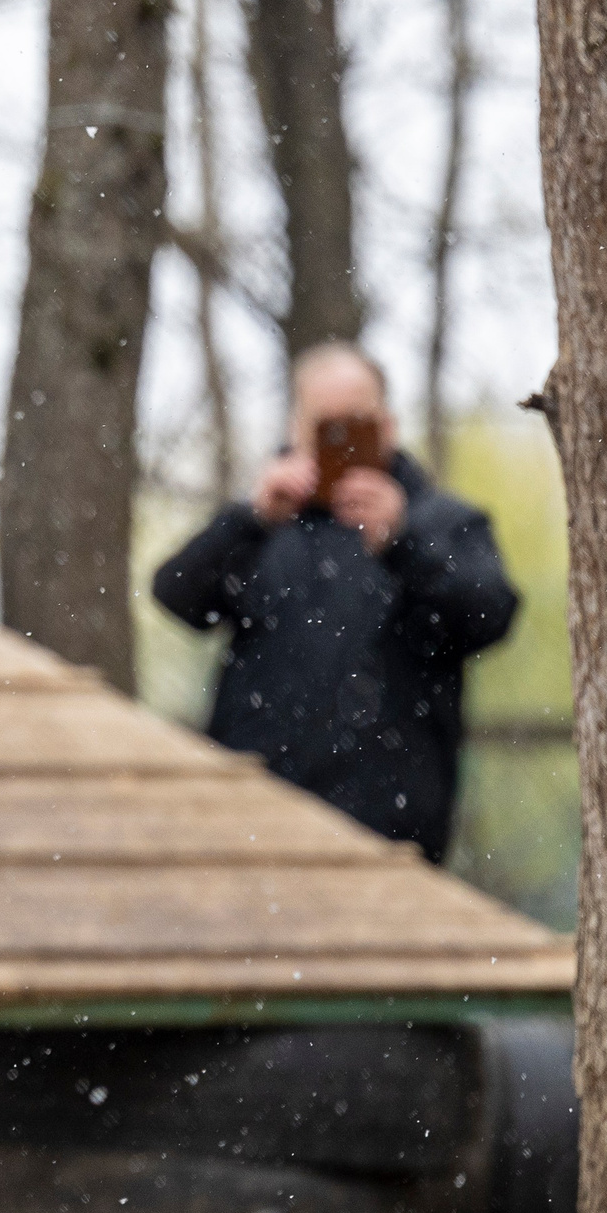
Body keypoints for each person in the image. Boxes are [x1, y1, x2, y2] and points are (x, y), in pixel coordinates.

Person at [151, 343, 517, 863]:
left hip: (392, 835)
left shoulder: (439, 520)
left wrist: (402, 542)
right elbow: (176, 596)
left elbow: (490, 616)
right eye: (326, 426)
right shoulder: (265, 527)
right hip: (255, 825)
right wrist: (251, 520)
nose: (341, 442)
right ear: (296, 428)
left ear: (387, 425)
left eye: (358, 423)